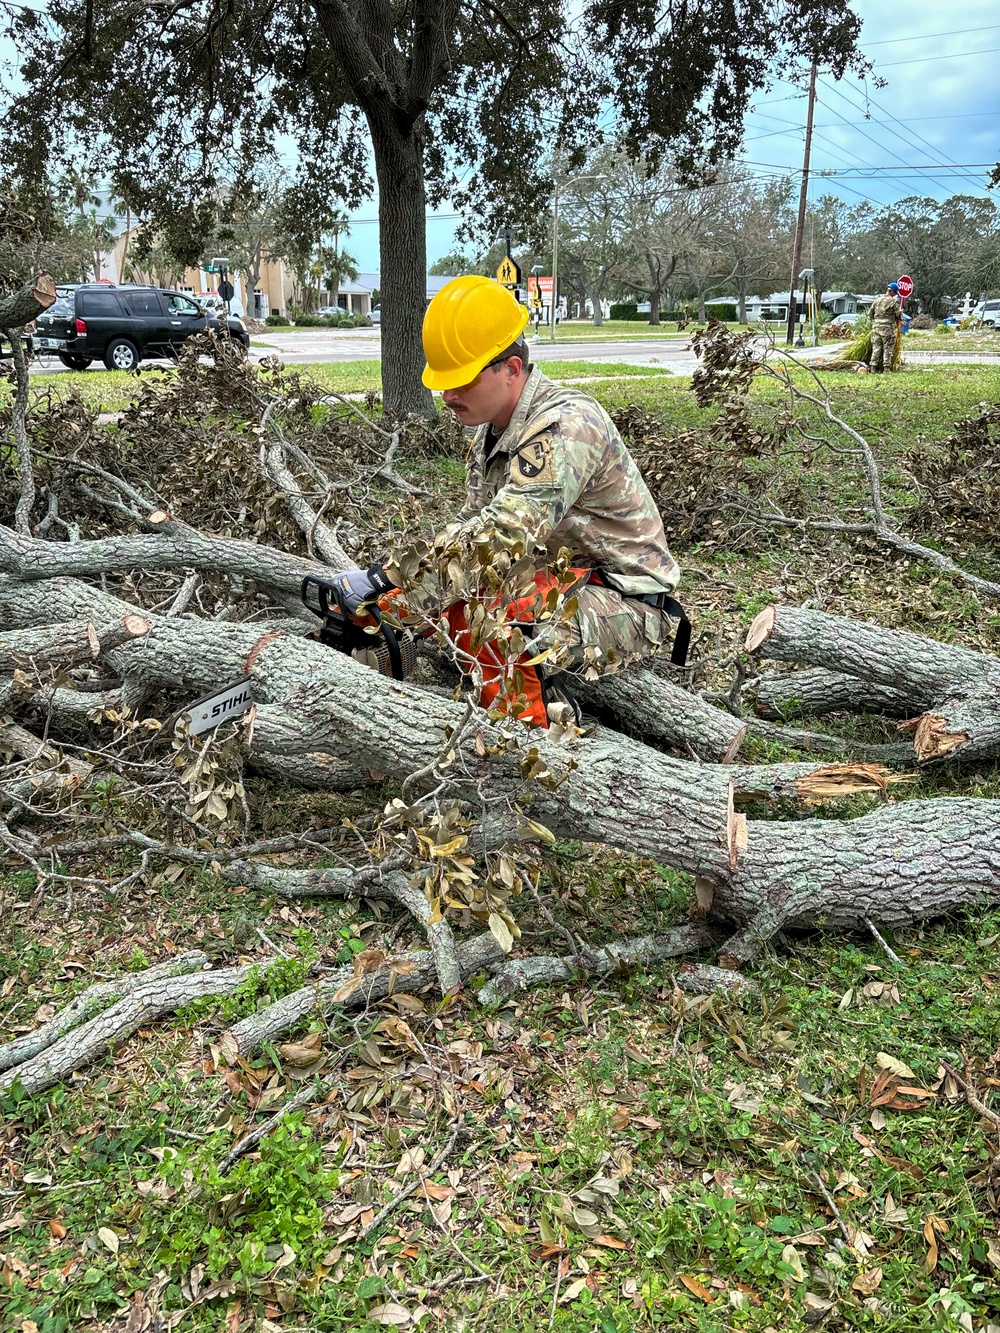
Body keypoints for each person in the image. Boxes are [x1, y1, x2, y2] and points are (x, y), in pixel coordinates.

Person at [329, 275, 686, 727]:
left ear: (512, 369)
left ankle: (525, 744)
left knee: (496, 623)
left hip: (627, 597)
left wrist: (388, 577)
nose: (448, 396)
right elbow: (471, 528)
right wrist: (395, 601)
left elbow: (503, 533)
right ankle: (375, 674)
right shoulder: (491, 430)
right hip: (560, 575)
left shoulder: (566, 425)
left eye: (461, 381)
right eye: (444, 382)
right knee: (453, 598)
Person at [869, 282, 902, 373]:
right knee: (887, 348)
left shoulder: (877, 300)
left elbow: (870, 314)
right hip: (887, 328)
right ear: (893, 292)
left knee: (876, 348)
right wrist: (900, 312)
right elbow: (898, 315)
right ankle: (886, 369)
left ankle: (873, 368)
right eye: (895, 293)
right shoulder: (894, 302)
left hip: (876, 328)